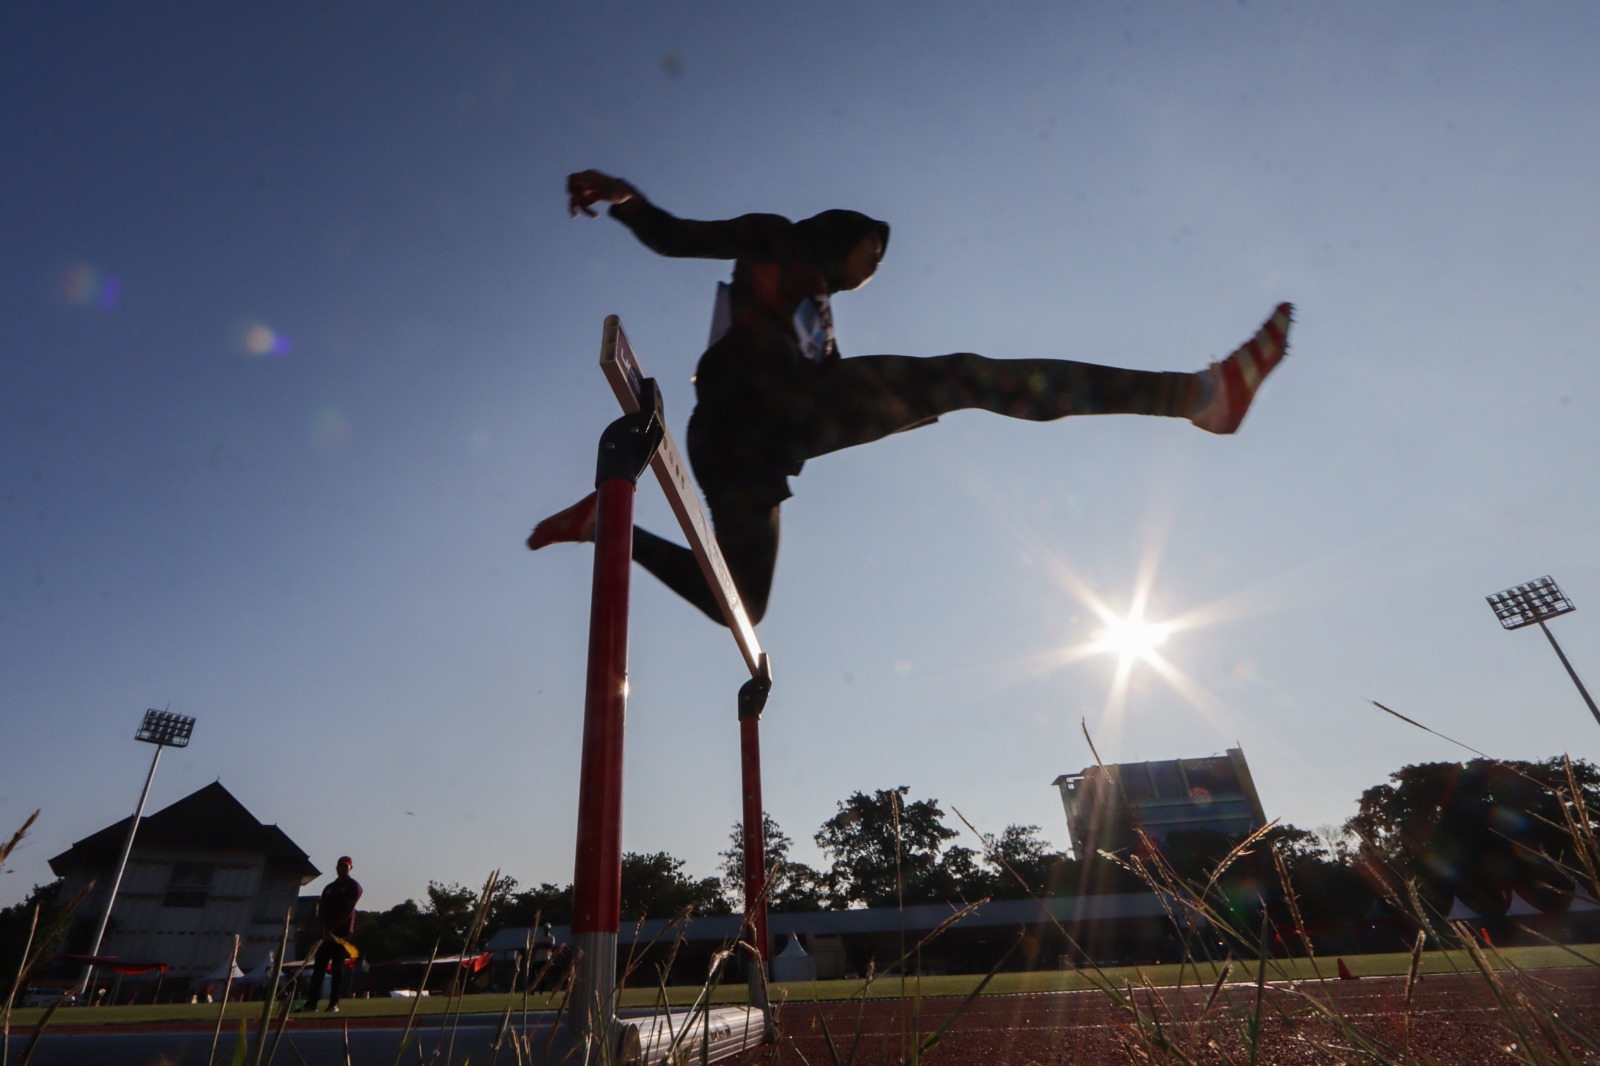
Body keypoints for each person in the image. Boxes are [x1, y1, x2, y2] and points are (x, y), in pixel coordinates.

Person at [530, 170, 1293, 626]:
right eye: (869, 259)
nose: (868, 276)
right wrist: (625, 198)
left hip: (748, 445)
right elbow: (671, 236)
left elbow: (834, 372)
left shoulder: (819, 315)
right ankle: (1196, 396)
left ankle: (609, 527)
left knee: (740, 605)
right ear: (843, 235)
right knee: (966, 375)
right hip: (757, 402)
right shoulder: (773, 236)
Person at [303, 855, 362, 1013]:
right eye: (339, 866)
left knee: (337, 968)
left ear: (350, 868)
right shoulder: (330, 888)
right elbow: (321, 910)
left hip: (341, 934)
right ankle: (312, 1003)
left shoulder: (354, 886)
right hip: (325, 933)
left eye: (345, 866)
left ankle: (333, 1003)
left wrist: (333, 929)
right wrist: (323, 929)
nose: (341, 869)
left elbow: (348, 911)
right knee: (319, 968)